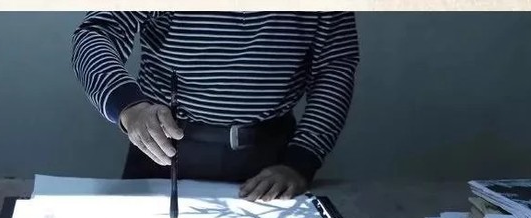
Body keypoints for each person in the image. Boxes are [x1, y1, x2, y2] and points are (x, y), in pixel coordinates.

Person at [71, 12, 359, 201]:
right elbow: (96, 34)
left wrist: (301, 161)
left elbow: (335, 65)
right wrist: (128, 106)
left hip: (272, 158)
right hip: (162, 148)